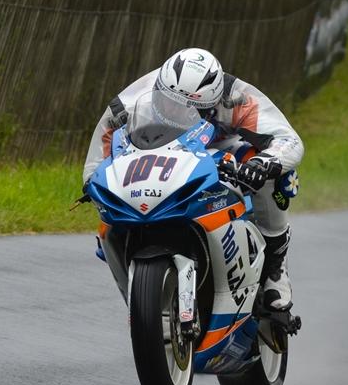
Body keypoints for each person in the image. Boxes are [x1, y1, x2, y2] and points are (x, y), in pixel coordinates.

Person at [82, 47, 304, 312]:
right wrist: (93, 187)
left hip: (221, 150)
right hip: (158, 151)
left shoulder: (238, 99)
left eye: (192, 109)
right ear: (160, 88)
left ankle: (275, 265)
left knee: (277, 174)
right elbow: (99, 153)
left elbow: (289, 140)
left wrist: (262, 164)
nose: (176, 111)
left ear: (213, 102)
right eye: (168, 102)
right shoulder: (130, 102)